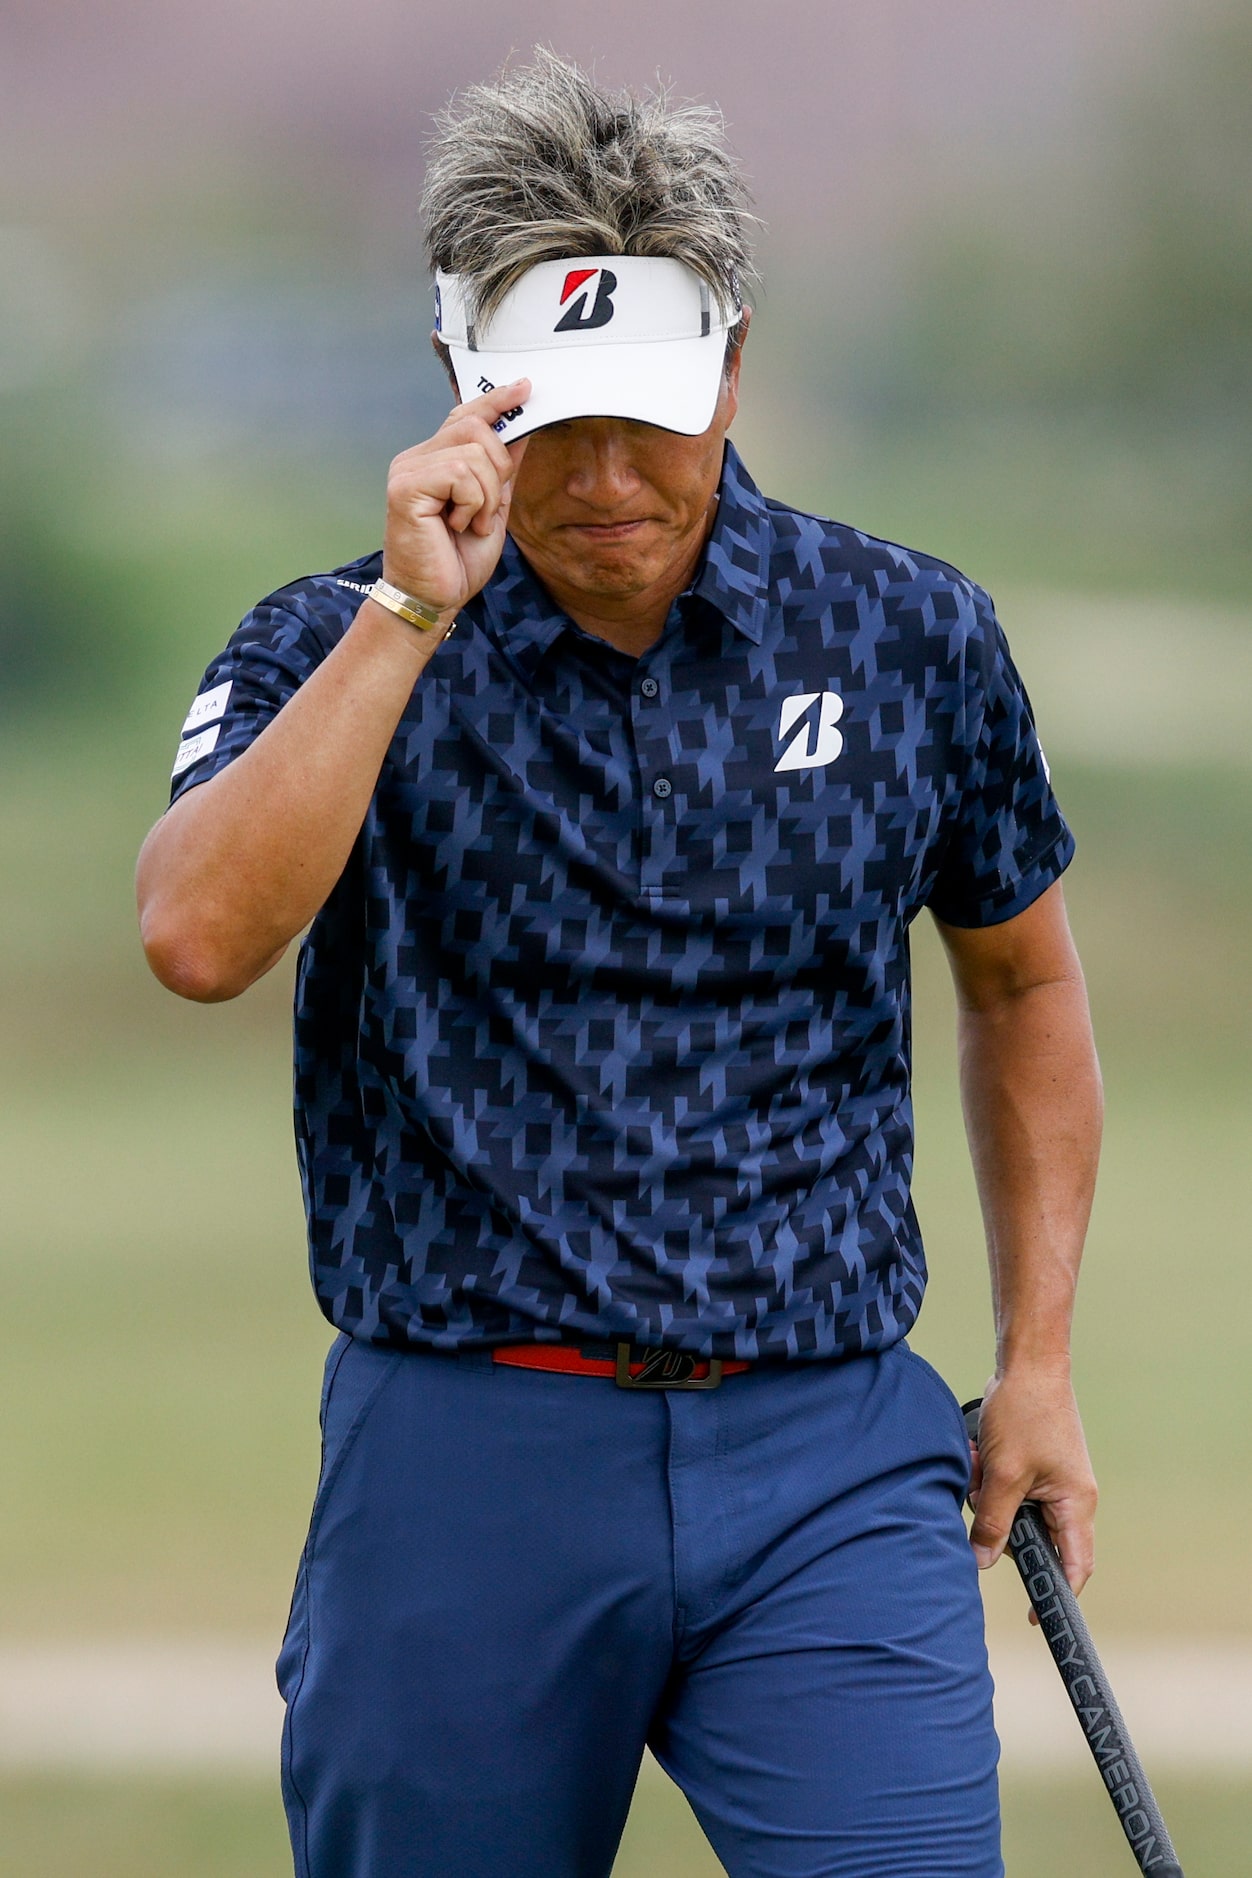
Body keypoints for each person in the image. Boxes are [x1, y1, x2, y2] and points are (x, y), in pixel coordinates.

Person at [137, 49, 1101, 1878]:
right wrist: (409, 621)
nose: (603, 475)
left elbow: (1025, 986)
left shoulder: (908, 636)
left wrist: (1035, 1360)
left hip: (831, 1450)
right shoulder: (329, 644)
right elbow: (196, 935)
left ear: (734, 370)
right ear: (458, 391)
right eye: (551, 417)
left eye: (651, 413)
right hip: (464, 1451)